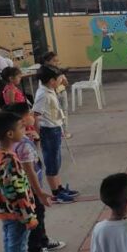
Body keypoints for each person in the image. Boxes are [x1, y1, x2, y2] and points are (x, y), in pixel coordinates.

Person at [0, 111, 53, 252]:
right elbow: (16, 191)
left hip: (7, 211)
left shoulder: (1, 154)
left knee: (13, 246)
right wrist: (28, 215)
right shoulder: (9, 160)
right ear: (10, 134)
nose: (25, 129)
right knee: (17, 248)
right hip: (16, 213)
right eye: (21, 127)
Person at [3, 103, 65, 252]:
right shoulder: (21, 144)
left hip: (29, 187)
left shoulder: (18, 139)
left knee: (39, 214)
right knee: (36, 215)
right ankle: (35, 250)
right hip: (29, 188)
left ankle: (43, 241)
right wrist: (39, 192)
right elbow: (28, 170)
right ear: (21, 121)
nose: (33, 115)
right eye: (29, 113)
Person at [33, 66, 78, 203]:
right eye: (59, 78)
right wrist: (38, 135)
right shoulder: (43, 94)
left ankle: (59, 188)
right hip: (48, 131)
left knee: (57, 161)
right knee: (52, 162)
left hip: (55, 128)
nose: (61, 79)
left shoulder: (49, 89)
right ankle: (56, 194)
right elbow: (35, 114)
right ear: (52, 80)